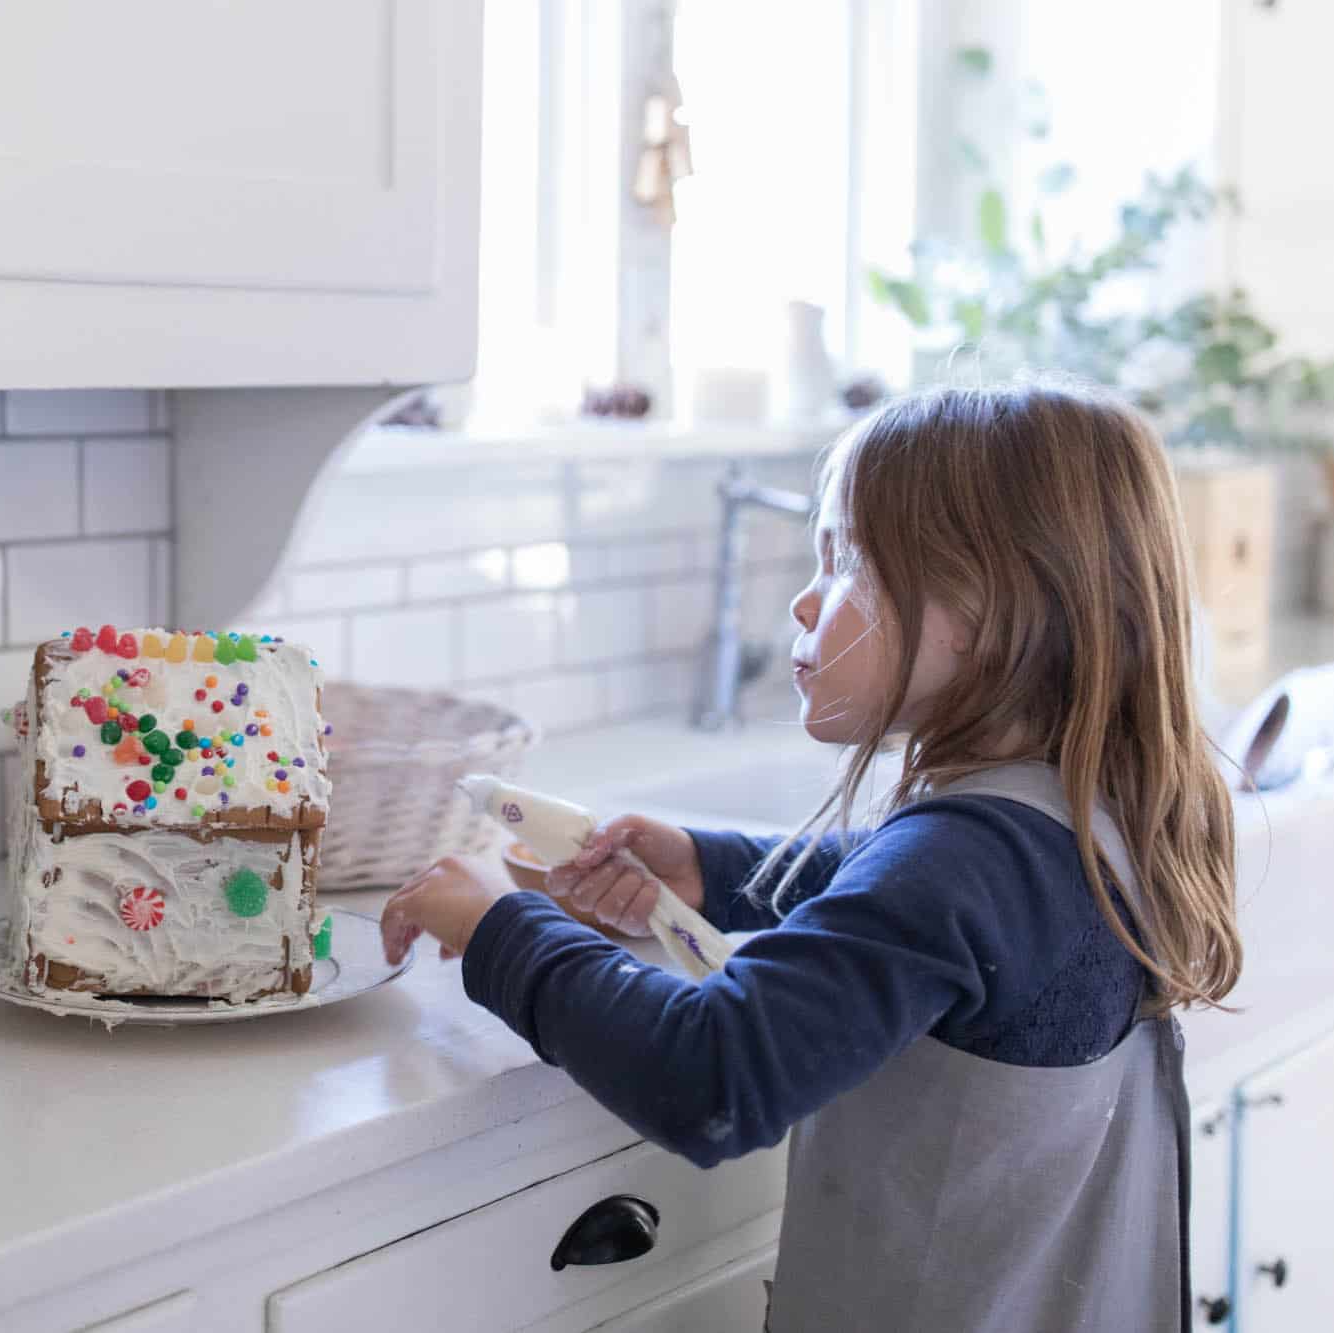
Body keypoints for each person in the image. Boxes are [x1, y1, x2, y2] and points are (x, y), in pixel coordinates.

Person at [381, 378, 1243, 1332]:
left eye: (846, 562)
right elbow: (918, 910)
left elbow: (716, 1076)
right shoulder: (1093, 814)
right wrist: (711, 868)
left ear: (990, 612)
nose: (803, 600)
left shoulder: (964, 863)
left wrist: (503, 925)